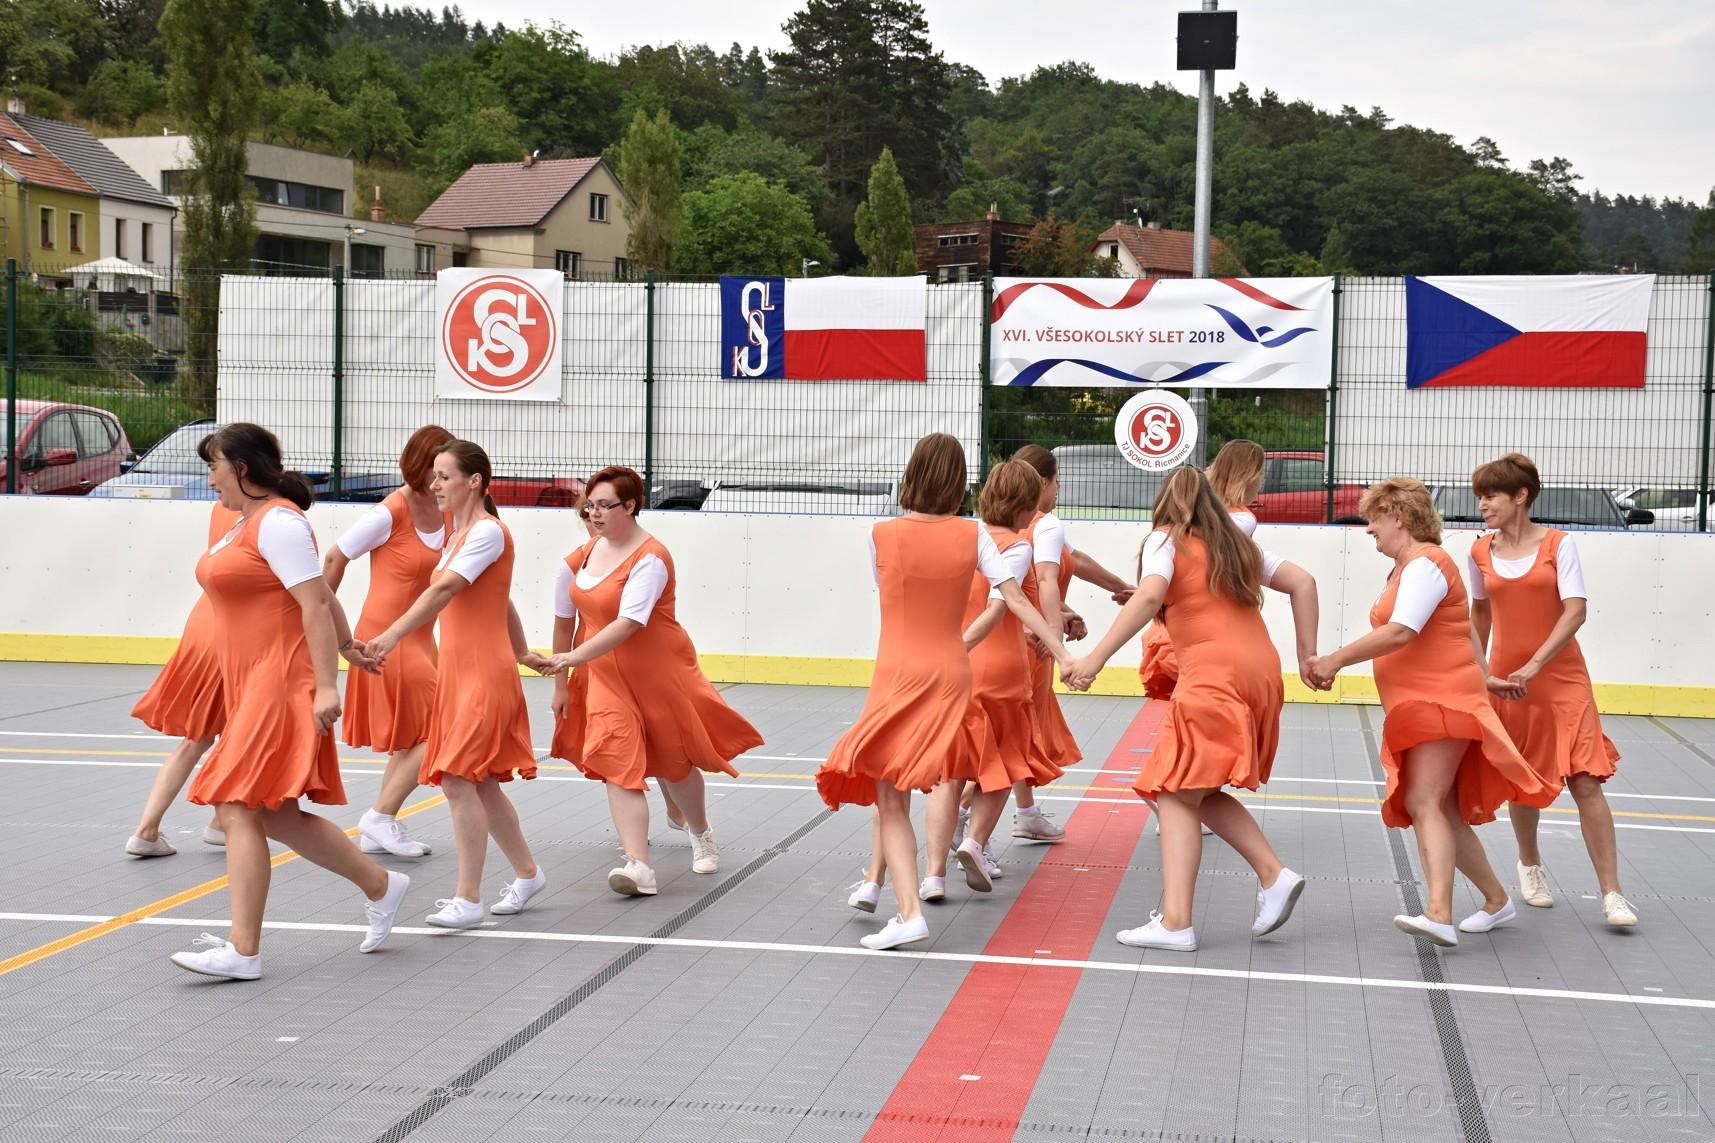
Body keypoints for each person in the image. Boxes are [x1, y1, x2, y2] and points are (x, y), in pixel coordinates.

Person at [167, 424, 409, 980]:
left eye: (215, 467)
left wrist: (328, 683)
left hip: (279, 682)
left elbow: (313, 604)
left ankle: (243, 950)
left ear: (242, 469)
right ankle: (381, 885)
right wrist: (348, 646)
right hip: (252, 680)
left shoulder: (278, 523)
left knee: (235, 806)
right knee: (276, 814)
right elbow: (319, 593)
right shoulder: (247, 522)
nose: (210, 479)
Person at [818, 434, 1073, 950]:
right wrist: (1065, 656)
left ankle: (907, 908)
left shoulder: (881, 533)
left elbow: (891, 598)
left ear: (911, 474)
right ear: (960, 483)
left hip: (898, 671)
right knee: (911, 782)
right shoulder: (973, 535)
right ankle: (890, 892)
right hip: (953, 670)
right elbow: (1016, 602)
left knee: (890, 791)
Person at [1064, 466, 1321, 951]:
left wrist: (1093, 659)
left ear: (1165, 503)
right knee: (1188, 790)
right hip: (1261, 674)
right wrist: (1307, 654)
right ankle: (1268, 877)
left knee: (1174, 791)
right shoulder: (1236, 545)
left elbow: (1151, 595)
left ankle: (1182, 920)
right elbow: (1303, 582)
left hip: (1212, 675)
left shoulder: (1165, 540)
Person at [1305, 477, 1560, 948]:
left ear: (1399, 517)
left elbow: (1402, 631)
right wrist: (1485, 676)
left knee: (1424, 800)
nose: (1369, 529)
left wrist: (1334, 660)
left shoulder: (1426, 564)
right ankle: (1496, 900)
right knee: (1441, 808)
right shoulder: (1408, 568)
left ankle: (1439, 912)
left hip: (1441, 701)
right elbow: (1462, 630)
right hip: (1426, 701)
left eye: (1375, 519)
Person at [542, 466, 762, 898]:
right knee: (616, 762)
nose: (594, 513)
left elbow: (628, 623)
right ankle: (638, 865)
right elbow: (563, 621)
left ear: (630, 506)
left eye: (605, 506)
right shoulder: (579, 559)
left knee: (675, 764)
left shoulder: (651, 558)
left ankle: (700, 831)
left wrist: (574, 656)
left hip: (658, 675)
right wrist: (561, 683)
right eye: (590, 506)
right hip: (605, 679)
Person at [366, 441, 545, 929]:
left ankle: (468, 898)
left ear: (475, 481)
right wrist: (522, 650)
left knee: (458, 779)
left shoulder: (486, 532)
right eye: (434, 476)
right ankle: (528, 874)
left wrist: (391, 635)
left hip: (482, 675)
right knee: (480, 782)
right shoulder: (458, 535)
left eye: (444, 476)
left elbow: (444, 590)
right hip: (460, 673)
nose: (434, 485)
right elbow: (502, 600)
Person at [1467, 454, 1636, 927]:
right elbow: (1479, 615)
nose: (1482, 504)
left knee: (1585, 780)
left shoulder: (1560, 544)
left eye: (1491, 496)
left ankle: (1613, 894)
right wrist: (1481, 673)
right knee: (1523, 780)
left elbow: (1575, 610)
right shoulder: (1479, 551)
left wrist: (1536, 664)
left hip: (1562, 680)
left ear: (1521, 496)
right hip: (1509, 682)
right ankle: (1530, 865)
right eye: (1480, 497)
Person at [323, 425, 455, 859]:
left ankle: (379, 824)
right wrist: (323, 621)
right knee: (443, 726)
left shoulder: (447, 510)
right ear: (419, 466)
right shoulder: (390, 512)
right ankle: (380, 816)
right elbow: (334, 556)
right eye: (437, 469)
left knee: (412, 738)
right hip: (385, 638)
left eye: (448, 471)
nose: (442, 478)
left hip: (423, 639)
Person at [1004, 445, 1135, 847]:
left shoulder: (1013, 524)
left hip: (1018, 635)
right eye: (1057, 481)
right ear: (1042, 482)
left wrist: (1117, 588)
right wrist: (1054, 636)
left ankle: (1025, 813)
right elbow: (1042, 581)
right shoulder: (1045, 525)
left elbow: (1058, 569)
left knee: (1021, 733)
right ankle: (965, 821)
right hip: (1031, 643)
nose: (1059, 489)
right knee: (1013, 735)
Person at [125, 502, 239, 857]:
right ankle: (218, 822)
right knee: (242, 731)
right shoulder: (270, 509)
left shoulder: (225, 503)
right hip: (237, 628)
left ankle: (150, 829)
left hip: (206, 619)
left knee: (202, 737)